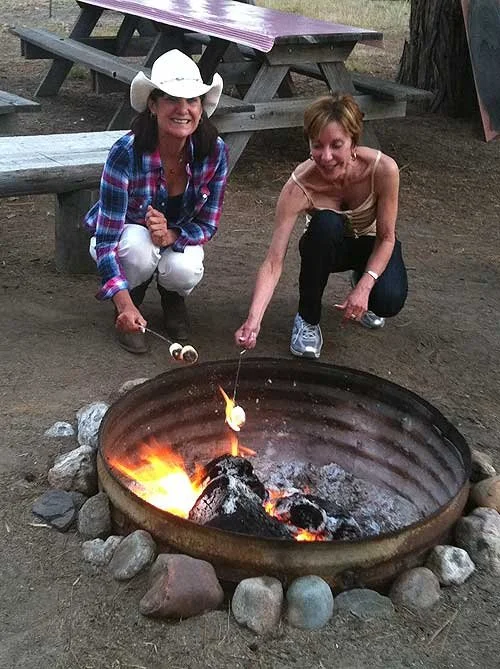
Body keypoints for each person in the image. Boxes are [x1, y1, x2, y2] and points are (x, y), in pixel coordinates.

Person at [235, 93, 408, 358]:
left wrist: (364, 287)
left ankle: (362, 282)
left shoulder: (383, 170)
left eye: (336, 145)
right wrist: (253, 319)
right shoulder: (299, 186)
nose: (326, 156)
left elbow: (386, 237)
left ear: (353, 142)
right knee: (326, 224)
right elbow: (273, 261)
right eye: (318, 145)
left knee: (387, 300)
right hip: (326, 247)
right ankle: (307, 320)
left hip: (371, 245)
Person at [85, 49, 228, 354]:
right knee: (137, 247)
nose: (183, 109)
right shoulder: (125, 152)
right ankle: (128, 302)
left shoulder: (215, 151)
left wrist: (172, 235)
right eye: (172, 99)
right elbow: (107, 239)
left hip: (173, 237)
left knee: (186, 267)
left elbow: (208, 223)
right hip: (128, 236)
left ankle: (172, 296)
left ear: (202, 107)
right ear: (153, 105)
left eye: (192, 100)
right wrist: (122, 303)